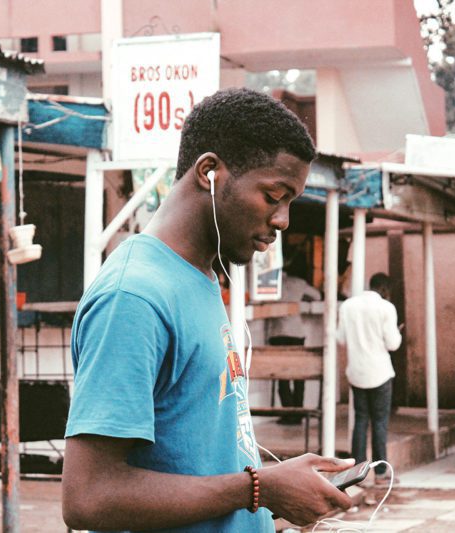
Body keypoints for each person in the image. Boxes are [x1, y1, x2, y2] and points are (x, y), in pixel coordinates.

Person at [62, 88, 355, 532]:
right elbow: (89, 496)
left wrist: (272, 504)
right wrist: (259, 488)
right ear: (210, 172)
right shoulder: (134, 297)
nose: (283, 220)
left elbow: (195, 463)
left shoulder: (198, 278)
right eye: (274, 195)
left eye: (290, 202)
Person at [337, 273, 402, 484]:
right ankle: (381, 472)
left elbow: (340, 339)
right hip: (380, 372)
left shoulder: (348, 306)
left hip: (356, 372)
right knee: (380, 422)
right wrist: (398, 333)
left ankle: (357, 473)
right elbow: (393, 344)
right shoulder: (386, 308)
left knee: (360, 421)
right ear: (384, 289)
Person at [265, 248, 321, 424]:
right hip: (297, 333)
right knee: (299, 377)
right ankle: (299, 412)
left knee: (282, 376)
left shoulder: (270, 282)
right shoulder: (299, 283)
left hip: (278, 334)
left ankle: (289, 414)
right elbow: (318, 295)